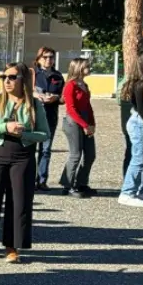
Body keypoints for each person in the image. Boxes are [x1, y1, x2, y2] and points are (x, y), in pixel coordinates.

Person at [0, 62, 50, 262]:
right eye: (4, 77)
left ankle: (12, 246)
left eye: (12, 77)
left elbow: (44, 133)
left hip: (23, 156)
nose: (7, 81)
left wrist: (26, 134)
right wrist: (5, 127)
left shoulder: (35, 104)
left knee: (19, 201)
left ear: (23, 80)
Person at [60, 58, 97, 198]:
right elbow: (71, 109)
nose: (90, 68)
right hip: (73, 122)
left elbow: (88, 106)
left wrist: (92, 124)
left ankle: (81, 183)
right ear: (79, 68)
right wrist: (84, 125)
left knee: (90, 155)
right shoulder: (71, 85)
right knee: (75, 154)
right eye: (87, 66)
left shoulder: (84, 85)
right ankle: (67, 185)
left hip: (85, 121)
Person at [32, 47, 64, 191]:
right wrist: (35, 95)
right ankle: (29, 179)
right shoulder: (31, 74)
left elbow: (64, 97)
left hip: (50, 117)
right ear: (38, 58)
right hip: (32, 116)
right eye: (45, 57)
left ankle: (42, 180)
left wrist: (55, 98)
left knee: (46, 150)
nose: (48, 60)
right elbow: (23, 91)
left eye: (51, 57)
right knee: (30, 149)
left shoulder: (58, 76)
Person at [119, 52, 143, 207]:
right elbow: (142, 110)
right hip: (140, 123)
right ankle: (127, 192)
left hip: (142, 122)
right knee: (139, 158)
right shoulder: (139, 85)